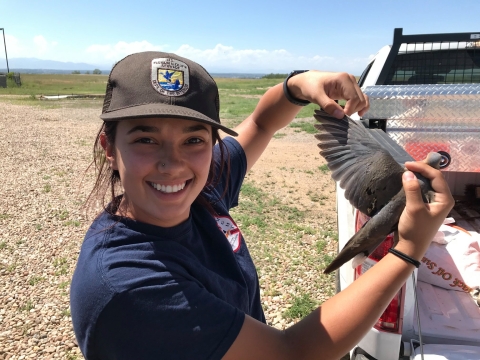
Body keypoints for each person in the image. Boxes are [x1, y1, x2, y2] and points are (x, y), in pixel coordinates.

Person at [70, 51, 454, 360]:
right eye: (146, 139)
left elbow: (261, 123)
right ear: (109, 148)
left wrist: (298, 86)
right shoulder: (129, 283)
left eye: (193, 139)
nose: (173, 164)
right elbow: (291, 353)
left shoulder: (198, 188)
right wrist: (407, 250)